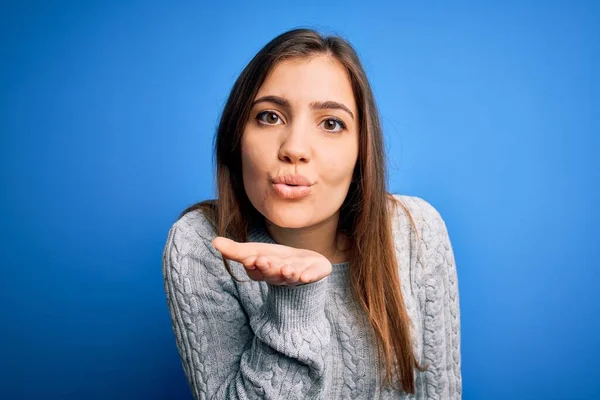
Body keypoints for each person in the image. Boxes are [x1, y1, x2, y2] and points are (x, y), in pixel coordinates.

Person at [162, 27, 462, 399]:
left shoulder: (417, 231)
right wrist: (292, 301)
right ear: (236, 136)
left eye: (331, 123)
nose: (295, 148)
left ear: (361, 151)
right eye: (270, 117)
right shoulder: (201, 244)